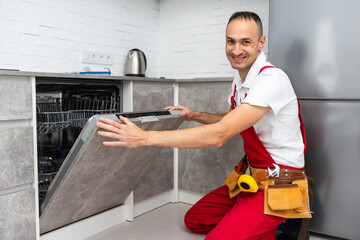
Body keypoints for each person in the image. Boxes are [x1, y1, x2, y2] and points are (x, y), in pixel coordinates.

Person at [96, 11, 311, 240]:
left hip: (278, 186)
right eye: (231, 41)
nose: (236, 50)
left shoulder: (272, 80)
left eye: (245, 42)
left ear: (261, 43)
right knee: (195, 220)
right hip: (251, 180)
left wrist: (145, 138)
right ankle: (254, 222)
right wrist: (195, 114)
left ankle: (282, 223)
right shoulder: (240, 80)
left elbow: (220, 134)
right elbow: (231, 120)